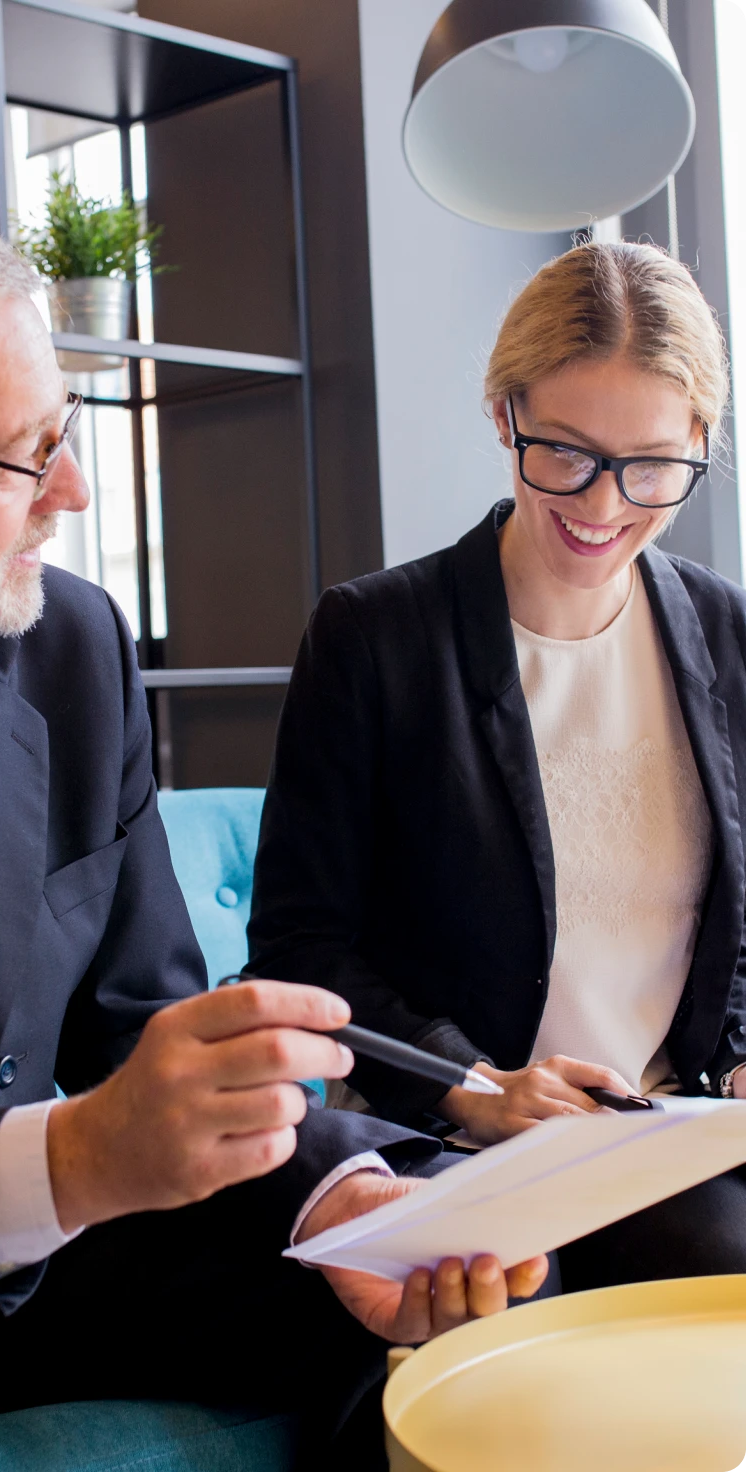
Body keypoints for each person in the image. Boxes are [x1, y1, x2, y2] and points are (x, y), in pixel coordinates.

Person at [0, 198, 544, 1472]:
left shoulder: (66, 644)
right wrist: (77, 1156)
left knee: (436, 1257)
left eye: (67, 433)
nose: (72, 492)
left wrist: (336, 1193)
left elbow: (140, 1022)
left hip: (65, 1248)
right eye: (28, 454)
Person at [249, 240, 746, 1292]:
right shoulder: (373, 636)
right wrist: (474, 1084)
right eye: (563, 451)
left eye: (651, 463)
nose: (603, 504)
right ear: (501, 413)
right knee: (510, 1306)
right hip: (454, 1142)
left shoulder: (725, 632)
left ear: (699, 438)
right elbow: (300, 949)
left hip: (659, 1139)